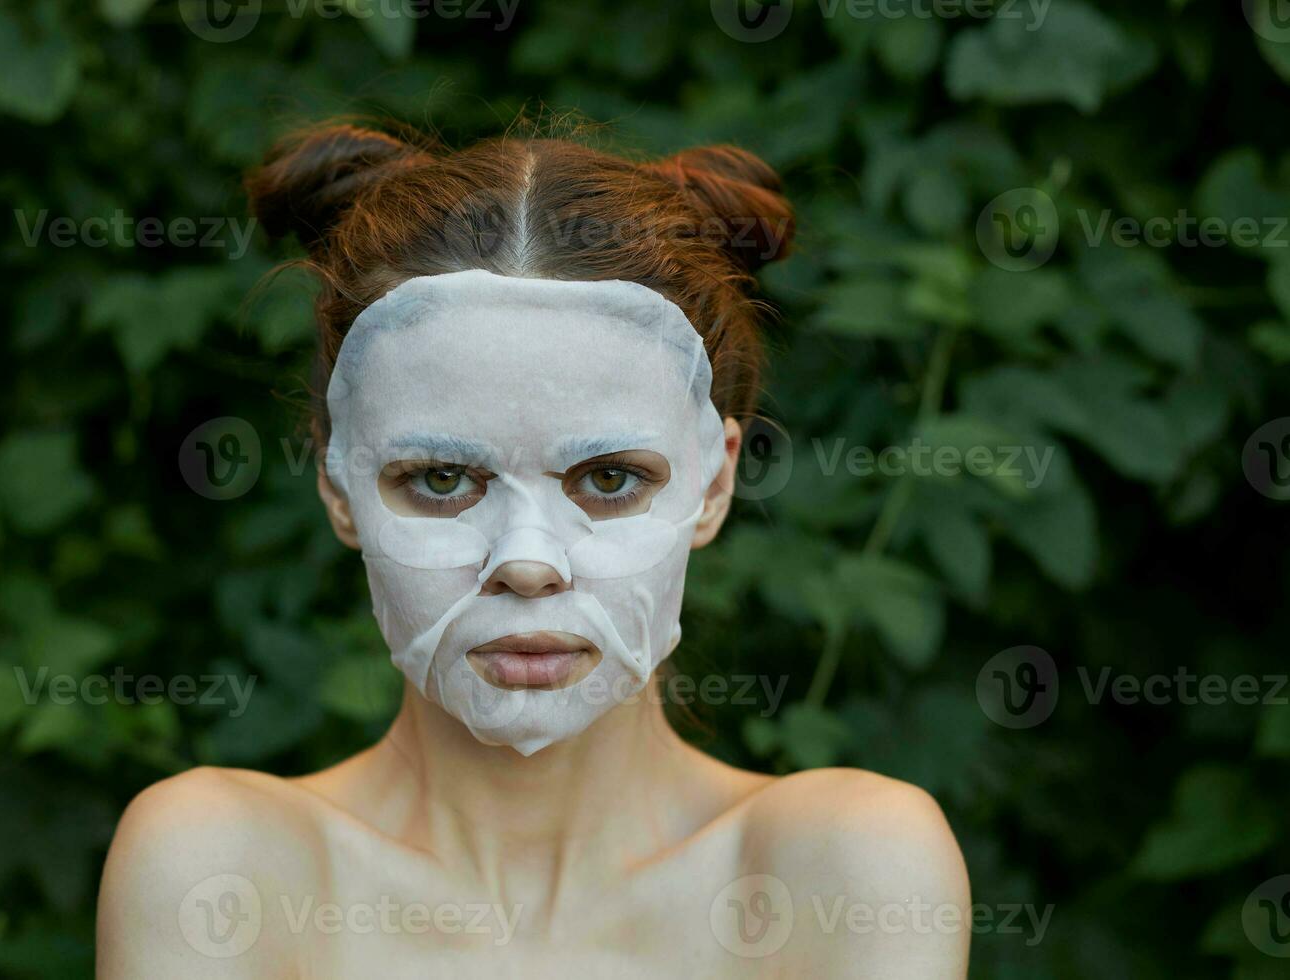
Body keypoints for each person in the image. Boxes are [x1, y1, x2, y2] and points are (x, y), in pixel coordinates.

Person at [96, 123, 970, 979]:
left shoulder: (846, 871)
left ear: (713, 484)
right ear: (337, 482)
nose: (526, 563)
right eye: (441, 478)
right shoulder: (222, 868)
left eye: (610, 479)